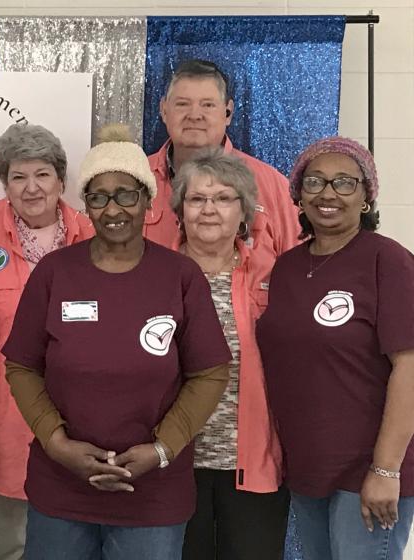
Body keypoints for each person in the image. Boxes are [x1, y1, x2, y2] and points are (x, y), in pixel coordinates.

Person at [3, 124, 231, 560]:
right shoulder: (55, 273)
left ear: (148, 200)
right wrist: (56, 443)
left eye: (126, 194)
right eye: (99, 196)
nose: (113, 209)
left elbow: (209, 372)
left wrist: (162, 449)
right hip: (62, 490)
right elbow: (22, 366)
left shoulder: (180, 277)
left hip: (152, 494)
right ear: (85, 204)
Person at [257, 136, 414, 560]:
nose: (328, 194)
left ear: (366, 197)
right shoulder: (288, 267)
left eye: (344, 183)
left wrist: (385, 469)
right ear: (298, 195)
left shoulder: (389, 261)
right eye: (315, 182)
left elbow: (409, 368)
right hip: (308, 468)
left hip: (367, 471)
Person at [0, 122, 94, 559]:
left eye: (42, 175)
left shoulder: (94, 237)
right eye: (19, 176)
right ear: (4, 183)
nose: (32, 187)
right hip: (5, 431)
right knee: (4, 547)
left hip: (81, 427)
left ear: (60, 179)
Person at [167, 147, 288, 559]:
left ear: (245, 210)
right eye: (197, 199)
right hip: (172, 460)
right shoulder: (155, 272)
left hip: (252, 458)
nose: (209, 209)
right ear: (180, 209)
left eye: (223, 198)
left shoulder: (275, 272)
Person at [147, 59, 299, 261]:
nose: (194, 115)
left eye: (207, 105)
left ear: (228, 112)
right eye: (182, 104)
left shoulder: (273, 187)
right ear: (164, 110)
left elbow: (301, 271)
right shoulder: (136, 181)